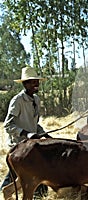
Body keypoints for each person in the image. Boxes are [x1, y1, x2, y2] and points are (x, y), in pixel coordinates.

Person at [1, 67, 50, 199]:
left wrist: (44, 134)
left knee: (36, 170)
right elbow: (8, 125)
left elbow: (34, 124)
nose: (36, 84)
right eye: (33, 82)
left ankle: (40, 194)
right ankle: (5, 192)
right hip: (17, 144)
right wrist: (26, 134)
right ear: (25, 84)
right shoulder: (17, 101)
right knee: (18, 173)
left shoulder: (36, 100)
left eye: (37, 81)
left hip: (31, 144)